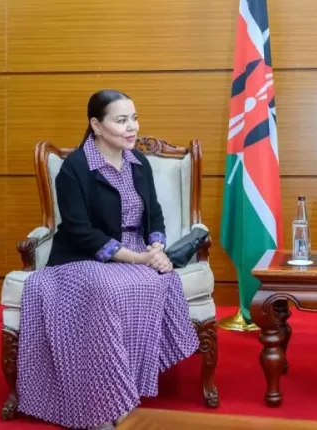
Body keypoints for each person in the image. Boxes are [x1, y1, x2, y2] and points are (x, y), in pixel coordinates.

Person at [16, 89, 199, 430]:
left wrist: (157, 248)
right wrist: (138, 259)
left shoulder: (138, 162)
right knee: (105, 291)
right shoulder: (75, 168)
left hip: (137, 251)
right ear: (97, 126)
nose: (132, 127)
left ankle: (124, 391)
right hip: (82, 257)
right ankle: (100, 403)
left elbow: (154, 213)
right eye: (122, 120)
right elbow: (80, 231)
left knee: (162, 281)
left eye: (134, 118)